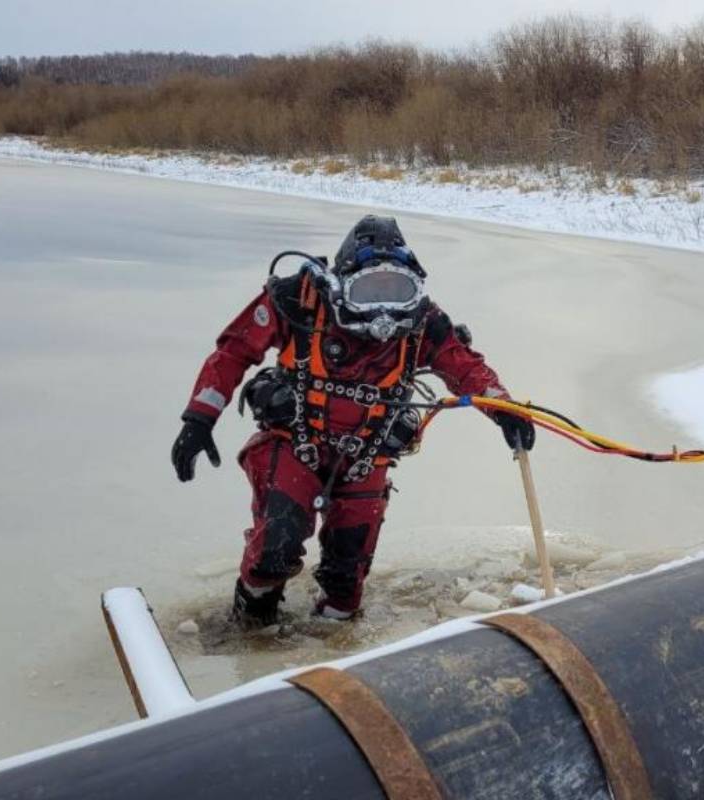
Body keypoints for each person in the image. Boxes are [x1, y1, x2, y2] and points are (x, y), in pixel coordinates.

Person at [171, 215, 535, 626]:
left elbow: (465, 367)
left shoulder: (422, 322)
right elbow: (235, 351)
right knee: (276, 547)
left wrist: (505, 411)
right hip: (295, 442)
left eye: (397, 291)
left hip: (367, 455)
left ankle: (328, 647)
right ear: (341, 283)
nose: (383, 310)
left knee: (347, 583)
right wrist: (199, 419)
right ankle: (251, 630)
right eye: (369, 291)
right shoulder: (299, 299)